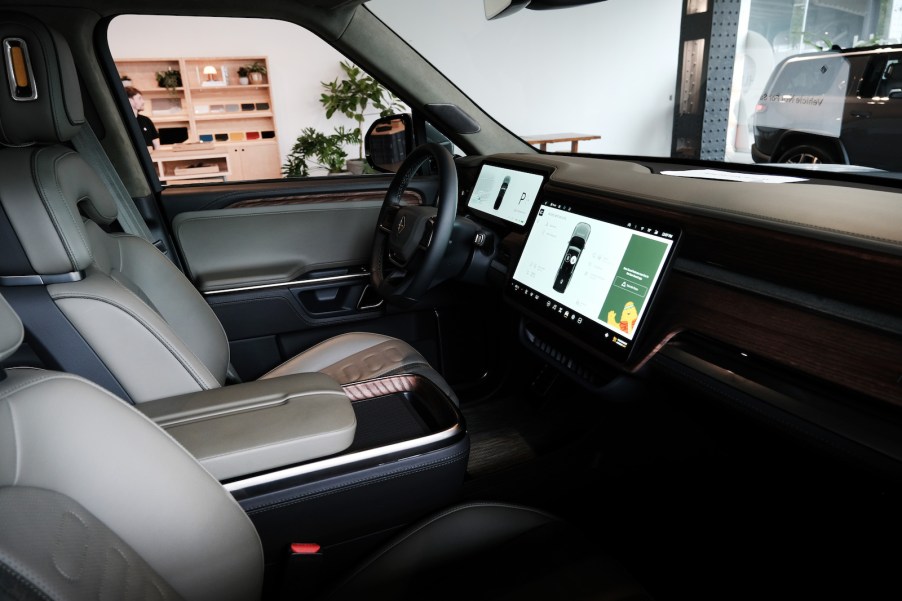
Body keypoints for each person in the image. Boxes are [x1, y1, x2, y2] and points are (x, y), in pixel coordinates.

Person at [125, 86, 160, 151]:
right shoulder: (123, 122)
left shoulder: (146, 120)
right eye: (139, 98)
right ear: (130, 101)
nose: (143, 101)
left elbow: (156, 144)